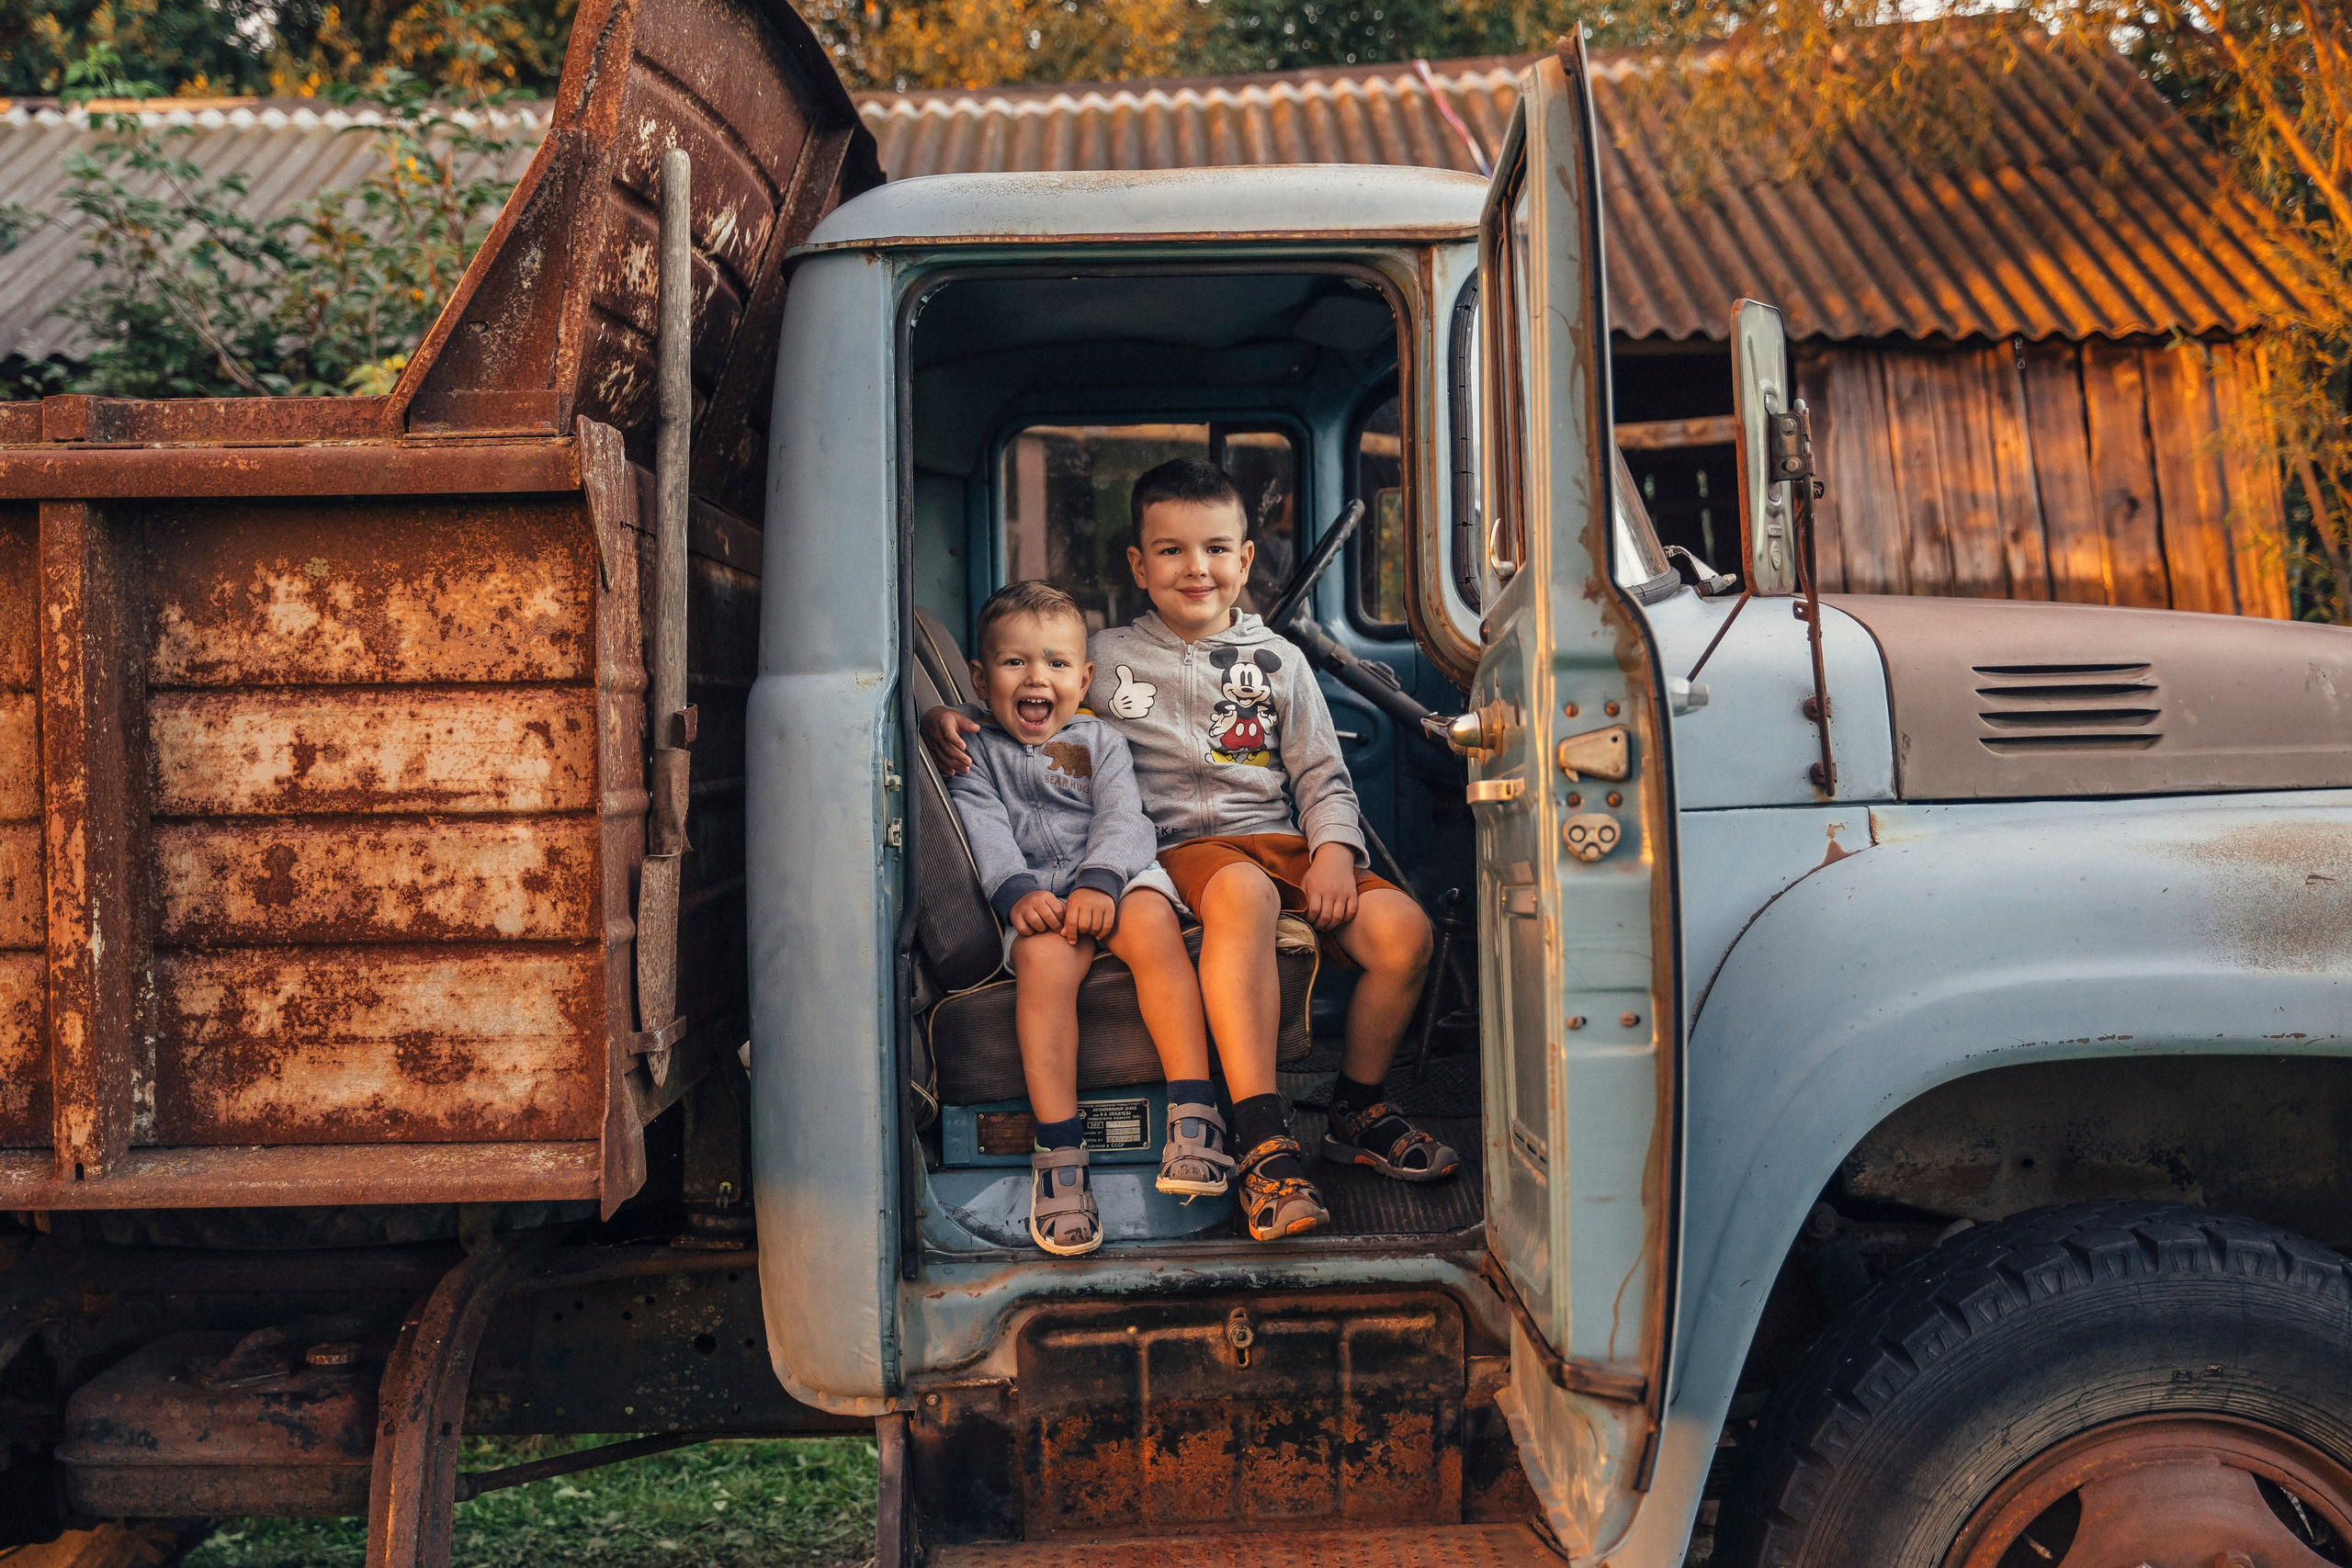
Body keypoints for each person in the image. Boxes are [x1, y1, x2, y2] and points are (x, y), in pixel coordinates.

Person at [927, 461, 1455, 1244]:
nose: (1195, 568)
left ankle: (1357, 1108)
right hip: (1183, 848)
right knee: (1242, 893)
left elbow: (1321, 774)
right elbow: (1035, 704)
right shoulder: (1106, 656)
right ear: (1139, 565)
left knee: (1404, 933)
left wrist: (1335, 848)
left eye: (1215, 549)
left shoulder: (1282, 660)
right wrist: (952, 713)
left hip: (1283, 838)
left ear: (1245, 560)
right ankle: (1263, 1142)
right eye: (1170, 551)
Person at [944, 580, 1234, 1257]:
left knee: (1154, 928)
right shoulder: (975, 751)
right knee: (1044, 961)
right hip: (1038, 892)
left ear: (1085, 677)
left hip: (1119, 875)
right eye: (1015, 664)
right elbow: (982, 826)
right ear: (983, 678)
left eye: (1055, 663)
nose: (1036, 677)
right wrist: (1015, 891)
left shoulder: (1100, 740)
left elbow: (1123, 816)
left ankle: (1194, 1111)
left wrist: (1103, 880)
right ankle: (1060, 1152)